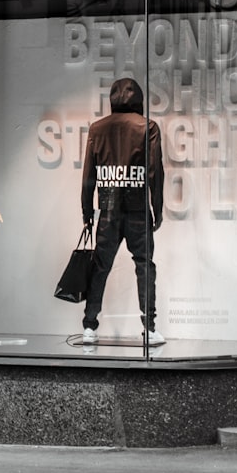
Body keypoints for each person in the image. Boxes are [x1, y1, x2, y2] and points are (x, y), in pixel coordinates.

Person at [80, 77, 165, 346]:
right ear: (138, 98)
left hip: (107, 210)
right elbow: (155, 173)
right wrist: (158, 208)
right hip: (138, 210)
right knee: (144, 266)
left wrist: (86, 211)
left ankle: (89, 326)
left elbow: (88, 175)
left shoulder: (97, 129)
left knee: (100, 267)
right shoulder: (148, 127)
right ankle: (149, 328)